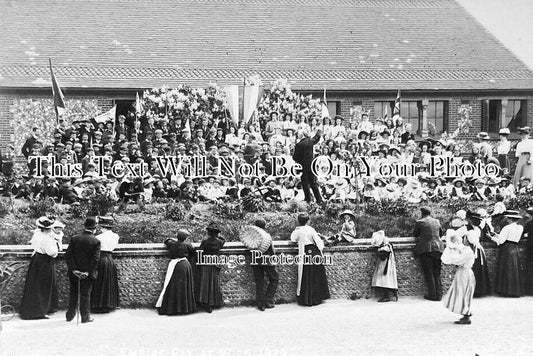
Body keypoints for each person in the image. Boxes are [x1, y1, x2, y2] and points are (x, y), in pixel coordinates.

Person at [19, 217, 59, 320]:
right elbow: (52, 253)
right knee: (44, 286)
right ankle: (40, 311)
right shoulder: (47, 239)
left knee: (35, 285)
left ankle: (31, 310)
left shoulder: (37, 235)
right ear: (47, 228)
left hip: (37, 260)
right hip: (45, 262)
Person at [65, 216, 101, 323]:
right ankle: (85, 317)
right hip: (87, 274)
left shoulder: (74, 238)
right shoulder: (96, 241)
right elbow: (95, 259)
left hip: (74, 273)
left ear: (84, 226)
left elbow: (68, 255)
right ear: (95, 228)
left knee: (73, 294)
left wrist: (74, 269)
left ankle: (69, 315)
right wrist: (87, 272)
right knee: (85, 295)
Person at [290, 213, 330, 306]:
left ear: (298, 221)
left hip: (305, 253)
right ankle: (316, 298)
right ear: (308, 221)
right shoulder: (311, 229)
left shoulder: (298, 231)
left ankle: (306, 299)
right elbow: (319, 244)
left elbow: (293, 239)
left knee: (306, 275)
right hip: (314, 252)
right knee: (316, 275)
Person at [156, 229, 197, 315]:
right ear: (185, 238)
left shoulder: (172, 244)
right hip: (185, 266)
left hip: (175, 266)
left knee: (173, 286)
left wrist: (174, 240)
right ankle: (185, 308)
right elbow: (194, 252)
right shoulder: (187, 246)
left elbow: (167, 240)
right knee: (184, 287)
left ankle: (173, 308)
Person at [441, 229, 475, 325]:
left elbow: (456, 260)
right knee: (463, 292)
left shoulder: (467, 251)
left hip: (464, 273)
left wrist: (451, 250)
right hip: (463, 272)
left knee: (463, 292)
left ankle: (466, 314)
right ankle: (465, 312)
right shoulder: (465, 250)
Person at [490, 210, 525, 297]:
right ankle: (514, 291)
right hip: (515, 247)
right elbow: (510, 237)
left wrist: (491, 237)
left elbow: (501, 241)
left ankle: (506, 291)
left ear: (510, 219)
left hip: (506, 248)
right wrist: (497, 235)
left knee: (506, 269)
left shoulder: (507, 228)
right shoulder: (520, 227)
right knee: (514, 269)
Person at [413, 206, 444, 301]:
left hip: (426, 249)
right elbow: (441, 234)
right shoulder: (437, 221)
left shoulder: (420, 222)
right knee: (437, 272)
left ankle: (432, 295)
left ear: (422, 213)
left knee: (429, 272)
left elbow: (415, 234)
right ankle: (439, 295)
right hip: (438, 248)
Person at [91, 216, 120, 313]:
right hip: (110, 258)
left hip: (100, 258)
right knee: (109, 281)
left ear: (103, 227)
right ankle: (109, 304)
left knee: (99, 281)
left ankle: (98, 305)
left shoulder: (98, 237)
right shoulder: (115, 236)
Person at [249, 218, 279, 311]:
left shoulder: (251, 237)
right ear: (264, 226)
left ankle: (261, 304)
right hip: (266, 261)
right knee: (275, 278)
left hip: (255, 261)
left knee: (259, 282)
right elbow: (272, 251)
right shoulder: (267, 236)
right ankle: (268, 300)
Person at [460, 212, 491, 297]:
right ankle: (476, 290)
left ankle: (477, 290)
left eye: (477, 220)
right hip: (474, 250)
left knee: (475, 269)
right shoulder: (468, 228)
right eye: (475, 220)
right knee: (475, 269)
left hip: (474, 250)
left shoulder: (473, 229)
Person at [197, 222, 225, 313]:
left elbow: (199, 252)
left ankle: (207, 304)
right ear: (217, 233)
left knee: (206, 285)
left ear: (209, 233)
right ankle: (214, 302)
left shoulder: (205, 242)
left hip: (206, 264)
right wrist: (218, 236)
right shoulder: (219, 242)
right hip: (215, 264)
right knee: (214, 284)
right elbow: (223, 240)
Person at [292, 129, 323, 204]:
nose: (297, 135)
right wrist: (318, 133)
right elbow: (317, 138)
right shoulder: (310, 141)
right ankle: (319, 200)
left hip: (303, 167)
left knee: (305, 184)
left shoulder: (299, 144)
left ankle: (308, 200)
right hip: (311, 166)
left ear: (301, 135)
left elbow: (295, 157)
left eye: (298, 134)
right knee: (313, 183)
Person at [370, 230, 398, 302]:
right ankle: (391, 293)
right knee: (386, 279)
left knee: (385, 279)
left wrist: (379, 250)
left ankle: (387, 296)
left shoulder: (385, 248)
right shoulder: (387, 246)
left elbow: (382, 257)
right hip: (386, 264)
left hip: (386, 265)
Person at [524, 207, 533, 295]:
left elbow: (522, 233)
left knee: (530, 269)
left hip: (531, 248)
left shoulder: (529, 224)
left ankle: (530, 290)